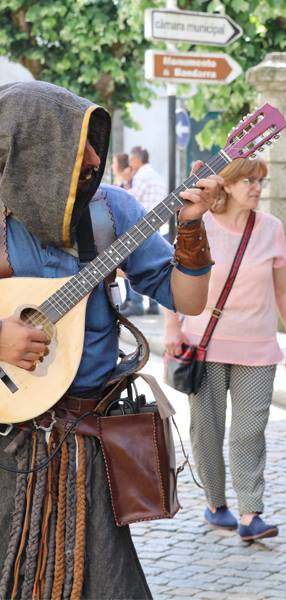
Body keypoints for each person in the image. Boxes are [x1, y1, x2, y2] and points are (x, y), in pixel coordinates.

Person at [0, 80, 221, 599]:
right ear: (35, 149)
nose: (96, 158)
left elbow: (187, 299)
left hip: (85, 439)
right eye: (78, 144)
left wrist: (191, 227)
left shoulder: (111, 210)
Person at [164, 157, 286, 541]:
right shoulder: (201, 224)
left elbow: (283, 289)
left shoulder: (271, 228)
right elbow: (173, 277)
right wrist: (173, 327)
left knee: (249, 430)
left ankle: (250, 512)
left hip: (258, 347)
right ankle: (215, 504)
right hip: (204, 345)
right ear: (226, 184)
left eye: (260, 181)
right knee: (206, 431)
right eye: (248, 181)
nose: (256, 188)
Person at [122, 145, 167, 316]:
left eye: (131, 159)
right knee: (153, 265)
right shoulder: (157, 176)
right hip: (157, 226)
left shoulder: (141, 176)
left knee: (135, 265)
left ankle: (136, 303)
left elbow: (129, 199)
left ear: (137, 159)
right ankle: (154, 305)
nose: (130, 163)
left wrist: (126, 183)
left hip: (141, 226)